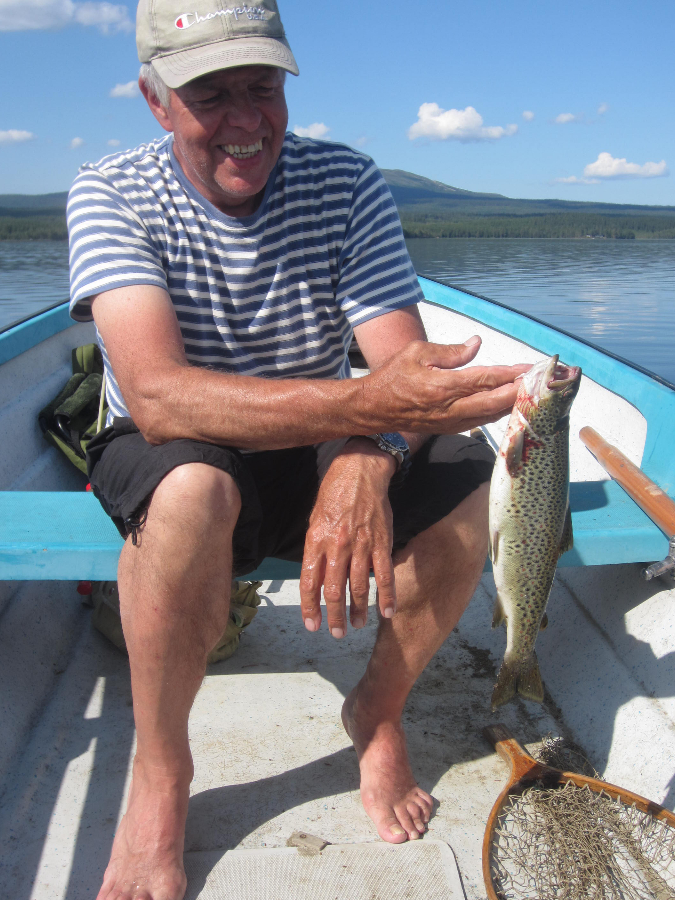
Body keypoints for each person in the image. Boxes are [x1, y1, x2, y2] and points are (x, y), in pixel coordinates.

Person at [67, 2, 528, 897]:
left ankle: (377, 711)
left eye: (262, 87)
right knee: (193, 487)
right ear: (156, 102)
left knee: (465, 465)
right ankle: (162, 777)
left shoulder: (343, 181)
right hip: (178, 446)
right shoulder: (111, 190)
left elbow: (407, 368)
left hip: (321, 426)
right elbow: (158, 397)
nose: (246, 121)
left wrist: (366, 454)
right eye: (211, 95)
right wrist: (367, 409)